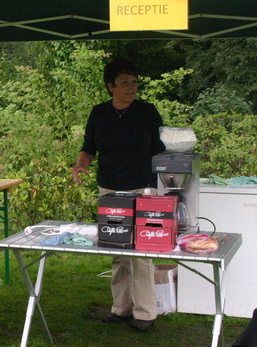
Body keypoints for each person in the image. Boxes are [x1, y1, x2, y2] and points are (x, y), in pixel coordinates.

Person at [71, 57, 165, 332]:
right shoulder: (99, 113)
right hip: (109, 188)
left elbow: (162, 148)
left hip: (143, 187)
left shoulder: (148, 112)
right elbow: (88, 148)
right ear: (110, 86)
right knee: (116, 248)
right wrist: (80, 165)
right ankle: (121, 308)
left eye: (135, 81)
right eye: (125, 82)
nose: (132, 87)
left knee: (141, 250)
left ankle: (146, 312)